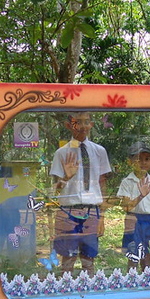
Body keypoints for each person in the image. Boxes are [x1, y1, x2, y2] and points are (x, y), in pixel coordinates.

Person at [50, 112, 112, 275]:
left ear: (91, 124)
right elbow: (55, 189)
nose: (83, 126)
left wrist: (102, 217)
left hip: (91, 211)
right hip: (68, 211)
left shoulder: (100, 151)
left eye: (86, 122)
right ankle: (66, 295)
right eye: (78, 122)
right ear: (69, 125)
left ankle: (89, 294)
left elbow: (102, 183)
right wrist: (66, 177)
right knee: (67, 259)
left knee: (89, 259)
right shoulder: (61, 153)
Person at [117, 141, 150, 269]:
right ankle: (131, 285)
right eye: (138, 159)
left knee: (147, 258)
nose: (143, 163)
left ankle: (146, 283)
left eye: (147, 159)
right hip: (133, 221)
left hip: (149, 222)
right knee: (133, 257)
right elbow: (126, 207)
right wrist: (140, 196)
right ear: (130, 161)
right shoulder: (127, 182)